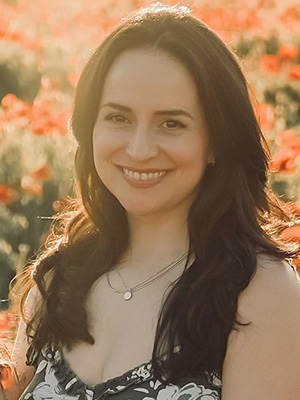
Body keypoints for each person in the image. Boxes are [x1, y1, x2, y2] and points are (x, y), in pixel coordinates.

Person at [1, 3, 300, 399]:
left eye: (171, 123)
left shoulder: (258, 294)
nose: (139, 149)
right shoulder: (57, 282)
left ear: (215, 141)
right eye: (118, 118)